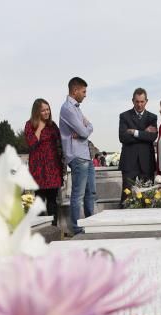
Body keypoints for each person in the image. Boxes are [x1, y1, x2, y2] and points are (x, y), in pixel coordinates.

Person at [59, 76, 95, 235]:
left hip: (85, 155)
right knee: (78, 195)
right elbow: (83, 131)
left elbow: (88, 127)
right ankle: (77, 229)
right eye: (83, 91)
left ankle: (90, 224)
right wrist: (85, 129)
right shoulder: (67, 108)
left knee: (90, 193)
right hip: (77, 156)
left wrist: (86, 129)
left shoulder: (76, 108)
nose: (85, 94)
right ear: (75, 91)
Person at [23, 98, 65, 223]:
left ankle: (54, 228)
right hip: (38, 169)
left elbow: (61, 142)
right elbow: (31, 143)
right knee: (39, 200)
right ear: (37, 112)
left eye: (48, 109)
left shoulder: (52, 126)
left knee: (52, 201)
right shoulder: (29, 125)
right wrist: (40, 128)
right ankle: (42, 230)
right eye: (43, 110)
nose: (47, 112)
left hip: (53, 168)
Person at [118, 87, 158, 198]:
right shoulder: (124, 116)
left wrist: (134, 132)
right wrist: (144, 133)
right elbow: (123, 137)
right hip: (129, 162)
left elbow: (152, 137)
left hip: (147, 163)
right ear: (132, 101)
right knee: (126, 196)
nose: (139, 105)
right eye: (137, 102)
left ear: (146, 101)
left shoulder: (152, 117)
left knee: (148, 197)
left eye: (142, 102)